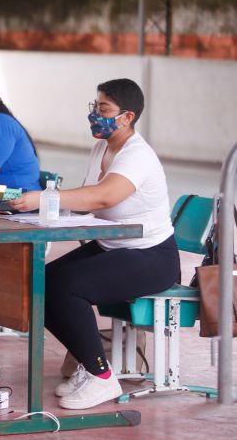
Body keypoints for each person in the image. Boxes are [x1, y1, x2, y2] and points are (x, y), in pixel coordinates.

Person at [9, 78, 178, 410]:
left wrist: (44, 198)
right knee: (39, 283)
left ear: (127, 116)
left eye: (103, 109)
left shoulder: (137, 155)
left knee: (66, 288)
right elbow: (86, 199)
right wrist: (40, 209)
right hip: (112, 247)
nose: (94, 115)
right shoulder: (102, 147)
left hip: (151, 255)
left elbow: (104, 196)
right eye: (94, 107)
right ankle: (91, 366)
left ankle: (101, 377)